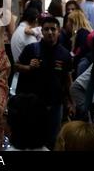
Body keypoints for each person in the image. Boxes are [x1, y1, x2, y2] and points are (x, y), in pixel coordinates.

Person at [15, 17, 73, 148]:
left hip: (55, 105)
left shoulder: (65, 54)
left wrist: (70, 102)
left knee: (52, 140)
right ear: (42, 31)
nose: (50, 32)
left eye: (53, 29)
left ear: (59, 31)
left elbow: (68, 80)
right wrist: (28, 67)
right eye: (46, 29)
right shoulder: (31, 49)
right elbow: (16, 66)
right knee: (32, 139)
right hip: (32, 104)